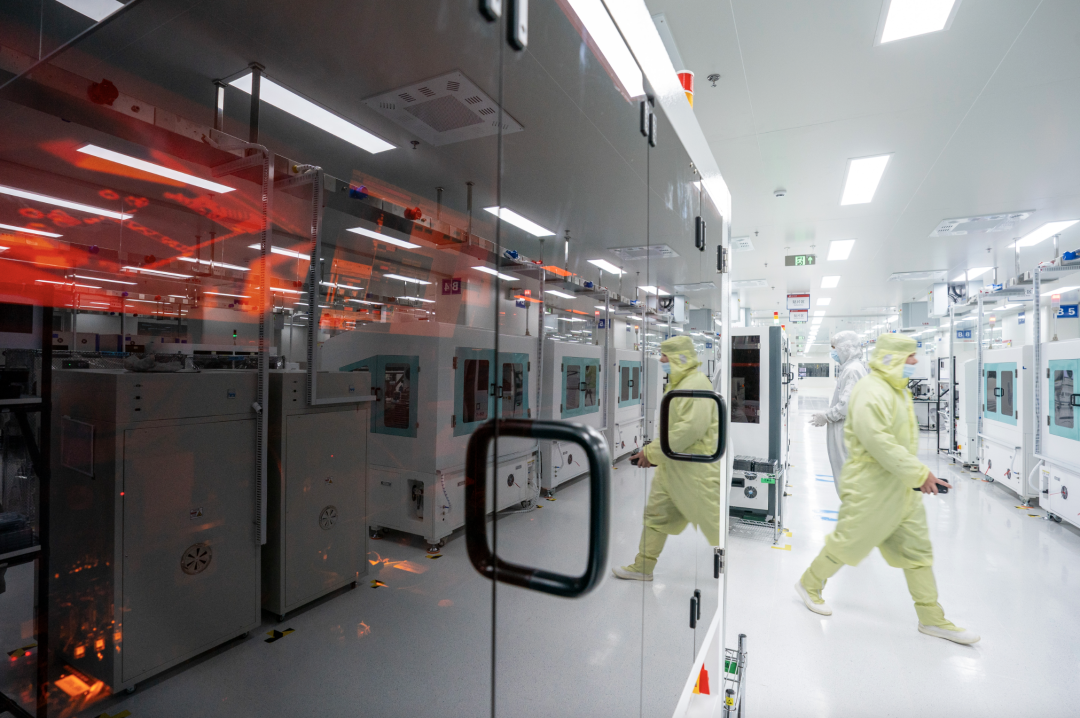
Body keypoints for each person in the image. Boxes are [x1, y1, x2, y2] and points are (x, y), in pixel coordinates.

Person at [794, 334, 979, 645]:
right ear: (892, 357)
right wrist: (919, 474)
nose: (915, 361)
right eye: (909, 356)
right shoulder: (870, 390)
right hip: (872, 489)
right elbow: (878, 441)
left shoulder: (897, 390)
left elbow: (900, 442)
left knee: (918, 552)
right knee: (847, 544)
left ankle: (932, 618)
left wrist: (915, 475)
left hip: (901, 489)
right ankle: (809, 584)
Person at [613, 336, 721, 581]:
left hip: (694, 470)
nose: (661, 360)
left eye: (665, 355)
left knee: (712, 522)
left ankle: (735, 574)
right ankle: (643, 567)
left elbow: (690, 430)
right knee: (656, 515)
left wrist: (651, 452)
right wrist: (655, 454)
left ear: (680, 357)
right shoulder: (678, 383)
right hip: (673, 466)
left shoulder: (696, 383)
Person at [809, 331, 868, 495]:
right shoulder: (851, 368)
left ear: (845, 348)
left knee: (849, 481)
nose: (833, 352)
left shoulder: (852, 370)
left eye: (834, 348)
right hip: (846, 431)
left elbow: (847, 405)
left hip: (846, 433)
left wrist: (826, 416)